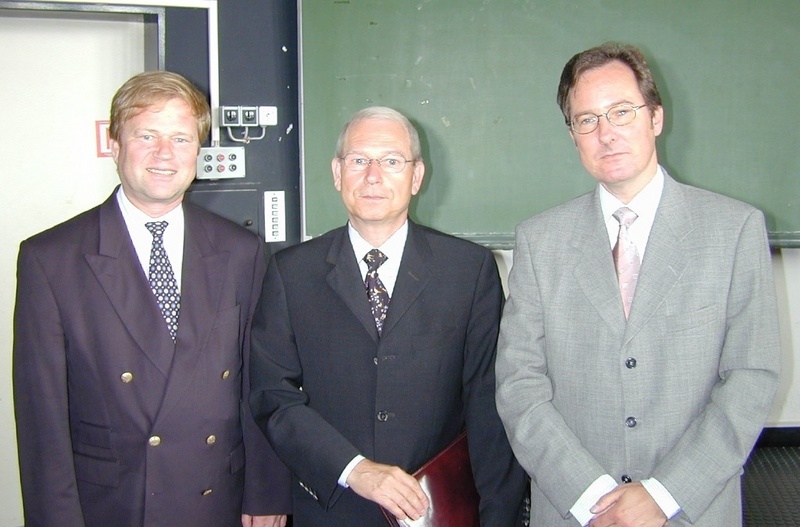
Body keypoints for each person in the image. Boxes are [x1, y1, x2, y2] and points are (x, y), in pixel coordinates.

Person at [495, 41, 781, 527]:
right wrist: (592, 497)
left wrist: (666, 494)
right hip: (575, 513)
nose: (605, 133)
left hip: (693, 510)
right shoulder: (540, 239)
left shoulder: (733, 229)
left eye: (621, 111)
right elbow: (518, 383)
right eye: (587, 120)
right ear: (573, 136)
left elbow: (751, 378)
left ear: (656, 118)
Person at [13, 71, 290, 527]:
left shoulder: (242, 251)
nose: (166, 154)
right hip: (113, 506)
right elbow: (42, 420)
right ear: (114, 142)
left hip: (217, 501)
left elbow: (257, 384)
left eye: (182, 139)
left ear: (198, 152)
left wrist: (265, 493)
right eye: (147, 135)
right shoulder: (51, 259)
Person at [248, 106, 527, 526]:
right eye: (359, 160)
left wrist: (498, 518)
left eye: (392, 161)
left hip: (438, 510)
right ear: (338, 173)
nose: (373, 175)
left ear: (417, 176)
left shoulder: (468, 271)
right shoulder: (291, 272)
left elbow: (490, 404)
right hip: (331, 508)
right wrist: (354, 468)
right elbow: (273, 395)